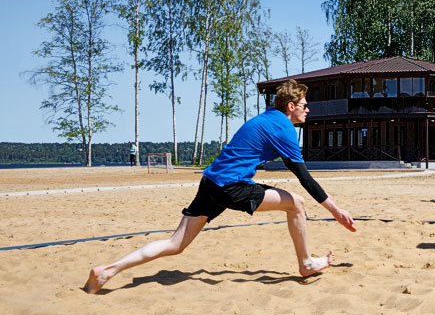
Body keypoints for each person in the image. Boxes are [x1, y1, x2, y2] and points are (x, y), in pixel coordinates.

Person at [83, 80, 356, 294]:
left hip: (210, 181)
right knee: (296, 202)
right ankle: (306, 264)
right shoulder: (283, 127)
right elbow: (304, 177)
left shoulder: (267, 118)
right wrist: (336, 210)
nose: (308, 109)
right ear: (290, 107)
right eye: (304, 105)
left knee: (175, 244)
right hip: (230, 186)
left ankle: (107, 271)